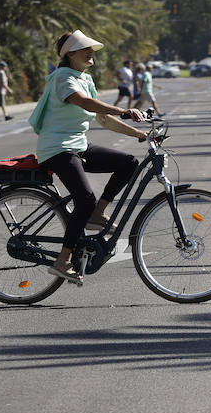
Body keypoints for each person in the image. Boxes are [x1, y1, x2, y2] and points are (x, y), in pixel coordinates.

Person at [29, 30, 148, 284]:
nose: (91, 52)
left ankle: (98, 214)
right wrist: (124, 110)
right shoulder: (63, 77)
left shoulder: (85, 78)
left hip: (78, 146)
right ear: (70, 54)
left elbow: (103, 119)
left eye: (91, 48)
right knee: (84, 199)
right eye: (85, 48)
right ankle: (62, 261)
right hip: (57, 148)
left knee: (128, 163)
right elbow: (84, 103)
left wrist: (140, 135)